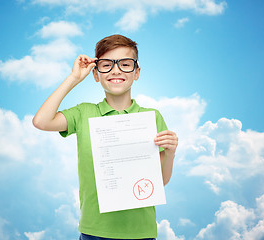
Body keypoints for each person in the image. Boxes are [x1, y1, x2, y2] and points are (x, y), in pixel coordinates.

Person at [33, 34, 178, 240]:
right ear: (95, 73)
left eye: (125, 64)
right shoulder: (83, 113)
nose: (116, 70)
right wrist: (74, 78)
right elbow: (41, 121)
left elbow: (160, 180)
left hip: (140, 232)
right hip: (95, 231)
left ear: (136, 73)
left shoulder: (152, 117)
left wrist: (170, 153)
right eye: (107, 65)